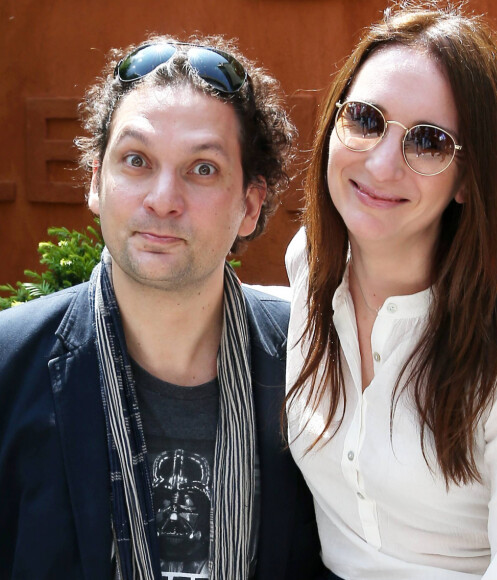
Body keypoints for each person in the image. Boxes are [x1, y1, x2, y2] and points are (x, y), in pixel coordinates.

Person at [0, 34, 324, 579]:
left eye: (203, 169)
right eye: (136, 160)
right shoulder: (9, 367)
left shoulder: (312, 365)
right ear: (96, 181)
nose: (163, 198)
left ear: (250, 205)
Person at [284, 3, 497, 579]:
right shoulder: (312, 266)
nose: (382, 162)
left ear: (469, 177)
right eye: (366, 120)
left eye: (428, 142)